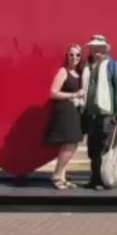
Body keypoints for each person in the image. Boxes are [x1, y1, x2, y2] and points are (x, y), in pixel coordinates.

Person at [81, 30, 117, 189]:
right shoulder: (87, 67)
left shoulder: (113, 66)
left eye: (99, 47)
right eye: (93, 47)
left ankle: (103, 178)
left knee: (104, 147)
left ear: (105, 48)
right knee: (92, 149)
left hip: (106, 114)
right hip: (90, 114)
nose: (96, 50)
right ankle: (94, 178)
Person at [44, 44, 86, 190]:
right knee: (71, 143)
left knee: (69, 144)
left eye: (77, 55)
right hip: (65, 111)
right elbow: (53, 93)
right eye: (71, 54)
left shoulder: (80, 73)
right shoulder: (63, 72)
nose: (74, 57)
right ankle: (56, 175)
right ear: (66, 56)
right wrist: (73, 94)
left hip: (75, 111)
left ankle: (62, 177)